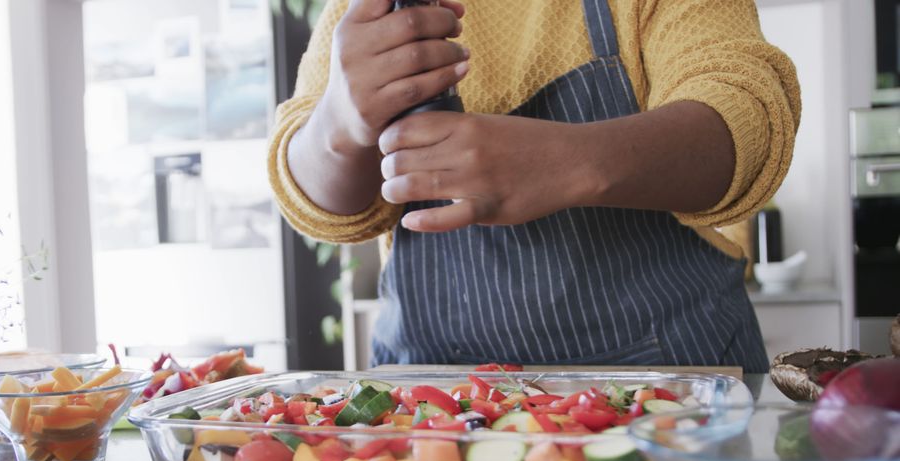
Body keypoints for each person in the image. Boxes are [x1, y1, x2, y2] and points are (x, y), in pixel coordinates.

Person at [268, 0, 800, 373]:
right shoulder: (361, 8)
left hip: (674, 385)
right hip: (431, 399)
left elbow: (746, 117)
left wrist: (574, 163)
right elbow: (313, 198)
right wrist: (339, 123)